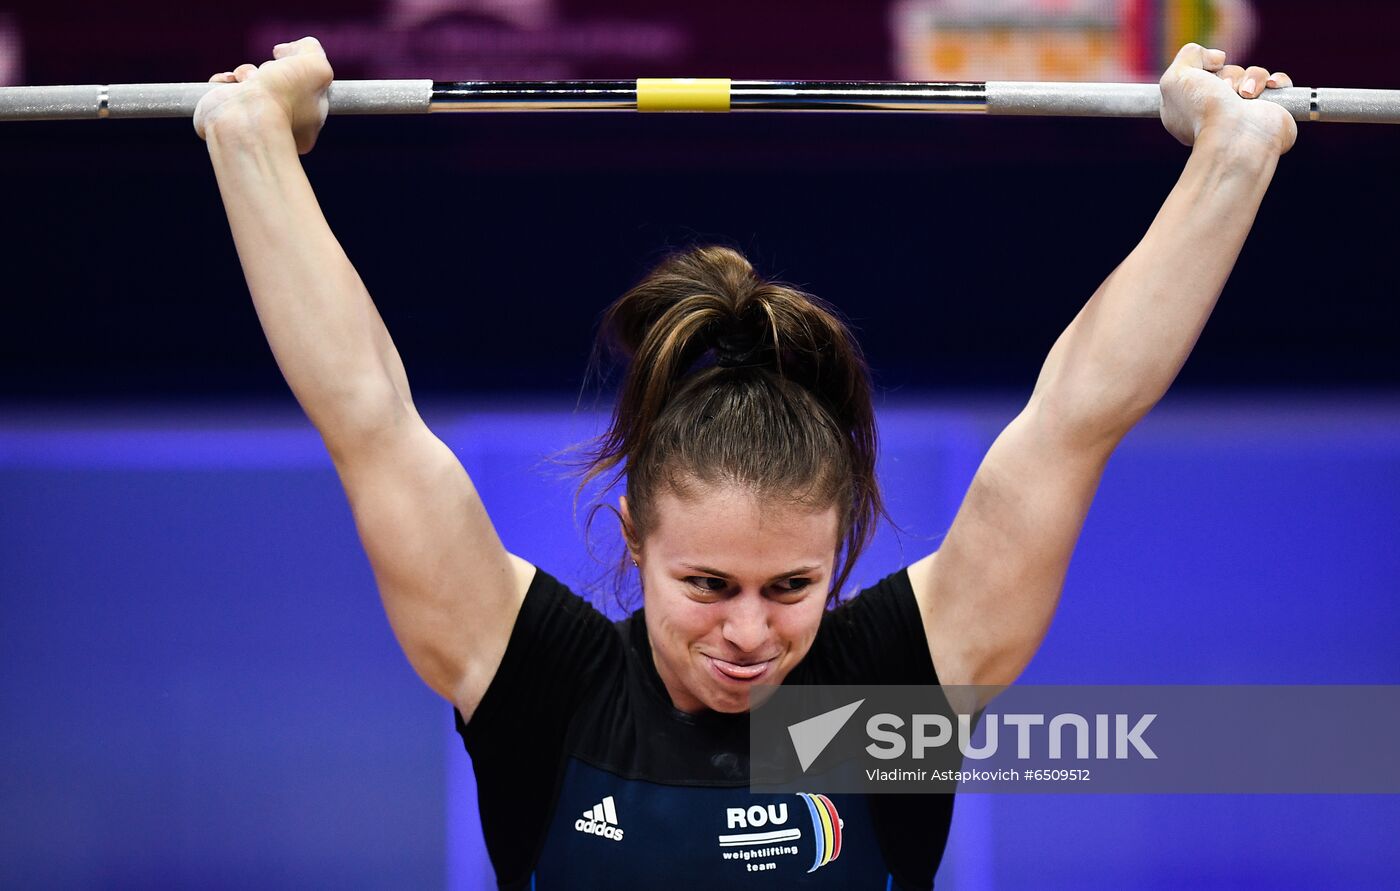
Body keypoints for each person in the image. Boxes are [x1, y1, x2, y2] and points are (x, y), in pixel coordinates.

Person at [194, 38, 1297, 888]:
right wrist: (250, 144)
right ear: (634, 539)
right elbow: (366, 418)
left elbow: (1075, 418)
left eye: (790, 587)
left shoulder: (881, 698)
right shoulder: (546, 687)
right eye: (706, 585)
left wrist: (1229, 159)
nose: (747, 635)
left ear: (841, 554)